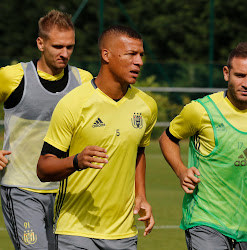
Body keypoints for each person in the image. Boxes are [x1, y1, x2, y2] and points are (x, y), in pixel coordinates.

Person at [159, 42, 247, 250]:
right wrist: (181, 170)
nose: (246, 83)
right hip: (204, 219)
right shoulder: (200, 110)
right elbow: (167, 138)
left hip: (245, 227)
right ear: (226, 73)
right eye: (240, 75)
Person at [37, 24, 157, 250]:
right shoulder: (74, 104)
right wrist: (76, 161)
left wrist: (141, 194)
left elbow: (139, 151)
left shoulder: (147, 106)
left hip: (123, 234)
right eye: (131, 54)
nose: (139, 61)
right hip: (75, 231)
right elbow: (43, 168)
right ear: (106, 55)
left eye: (141, 55)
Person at [0, 10, 93, 250]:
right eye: (58, 46)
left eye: (70, 47)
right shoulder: (13, 77)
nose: (65, 53)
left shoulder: (83, 80)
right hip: (21, 188)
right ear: (40, 43)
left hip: (67, 191)